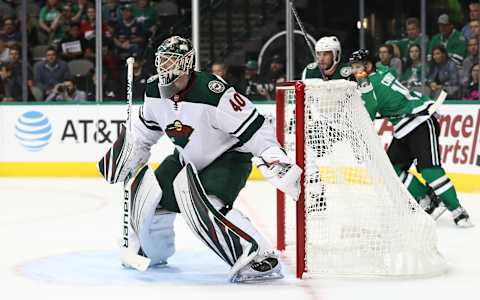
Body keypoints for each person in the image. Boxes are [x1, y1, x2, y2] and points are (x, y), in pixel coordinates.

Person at [97, 36, 301, 281]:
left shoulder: (213, 92)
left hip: (228, 157)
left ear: (186, 64)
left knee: (207, 204)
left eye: (171, 62)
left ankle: (260, 258)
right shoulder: (153, 91)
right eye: (162, 61)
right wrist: (128, 157)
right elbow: (142, 132)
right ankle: (152, 251)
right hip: (186, 158)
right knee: (151, 196)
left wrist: (274, 158)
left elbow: (254, 128)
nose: (165, 67)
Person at [348, 48, 473, 227]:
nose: (355, 71)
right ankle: (425, 197)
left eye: (358, 67)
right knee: (392, 168)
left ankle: (458, 210)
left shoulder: (368, 85)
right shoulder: (382, 71)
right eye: (353, 67)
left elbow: (369, 113)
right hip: (404, 125)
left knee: (429, 170)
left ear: (368, 66)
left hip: (419, 122)